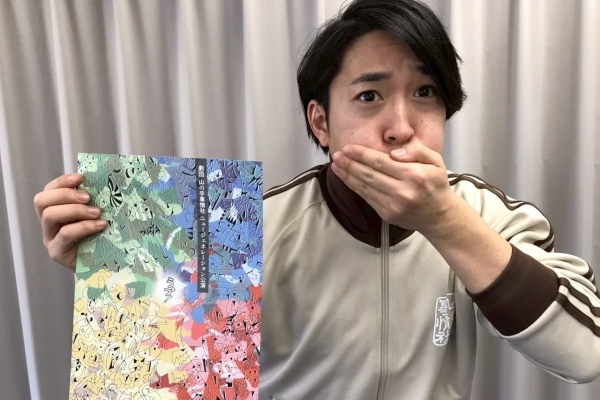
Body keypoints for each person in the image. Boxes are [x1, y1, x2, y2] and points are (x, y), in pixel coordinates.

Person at [34, 0, 600, 399]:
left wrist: (446, 222)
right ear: (321, 121)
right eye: (370, 95)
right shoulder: (245, 225)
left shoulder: (486, 215)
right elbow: (164, 377)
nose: (401, 126)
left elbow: (585, 355)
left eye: (425, 92)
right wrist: (115, 269)